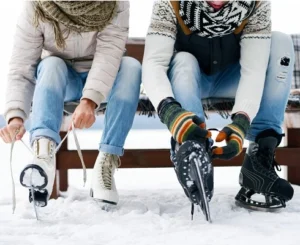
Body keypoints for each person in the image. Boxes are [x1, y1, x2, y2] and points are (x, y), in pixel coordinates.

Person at [142, 0, 294, 213]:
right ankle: (192, 147)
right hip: (190, 79)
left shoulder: (256, 3)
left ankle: (259, 159)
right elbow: (154, 63)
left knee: (281, 43)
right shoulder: (169, 2)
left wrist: (241, 121)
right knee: (184, 60)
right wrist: (169, 111)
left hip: (235, 78)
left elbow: (254, 70)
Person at [0, 1, 141, 207]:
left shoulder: (115, 2)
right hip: (63, 79)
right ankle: (43, 155)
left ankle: (106, 162)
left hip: (104, 80)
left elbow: (109, 53)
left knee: (131, 67)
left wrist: (90, 100)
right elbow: (22, 66)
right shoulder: (36, 5)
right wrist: (15, 117)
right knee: (51, 64)